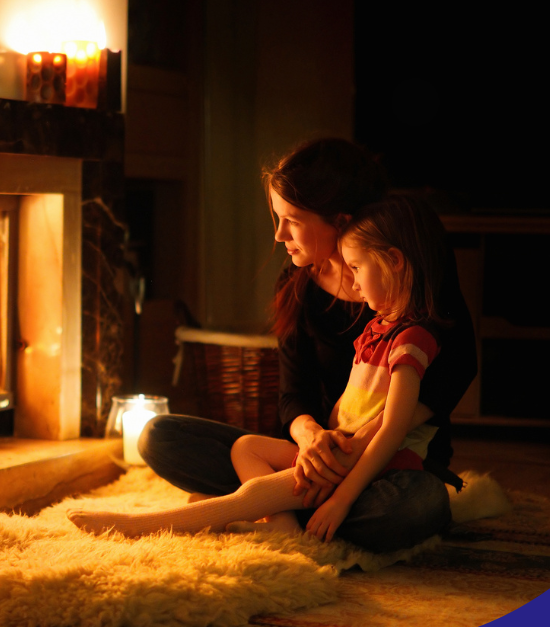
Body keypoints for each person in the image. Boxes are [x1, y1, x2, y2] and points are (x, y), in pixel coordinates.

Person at [70, 139, 476, 551]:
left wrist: (356, 444)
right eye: (277, 217)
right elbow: (292, 395)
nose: (279, 234)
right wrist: (312, 437)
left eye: (292, 220)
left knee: (414, 506)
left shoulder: (410, 276)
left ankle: (263, 505)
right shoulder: (297, 284)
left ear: (339, 220)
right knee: (160, 436)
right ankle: (287, 507)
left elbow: (458, 366)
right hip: (314, 452)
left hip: (391, 463)